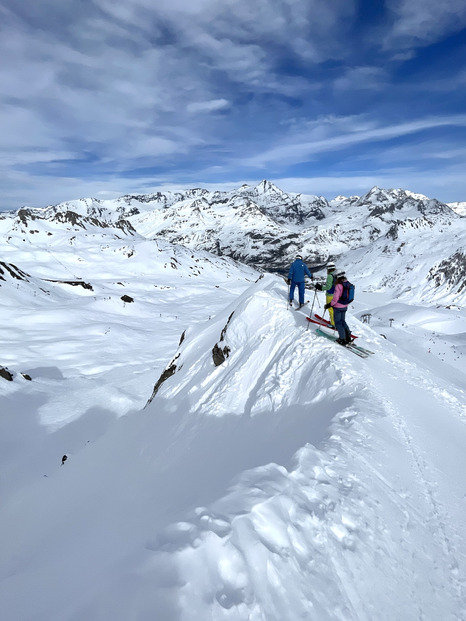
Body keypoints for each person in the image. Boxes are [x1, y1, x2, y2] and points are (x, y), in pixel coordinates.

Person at [324, 271, 353, 345]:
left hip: (338, 307)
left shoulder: (338, 285)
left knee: (338, 323)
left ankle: (342, 339)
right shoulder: (348, 283)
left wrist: (329, 304)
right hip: (345, 306)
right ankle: (348, 337)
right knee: (343, 321)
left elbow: (335, 298)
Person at [315, 262, 336, 326]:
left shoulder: (330, 276)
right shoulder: (337, 275)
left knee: (330, 309)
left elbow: (328, 287)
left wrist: (320, 288)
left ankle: (333, 324)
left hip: (330, 295)